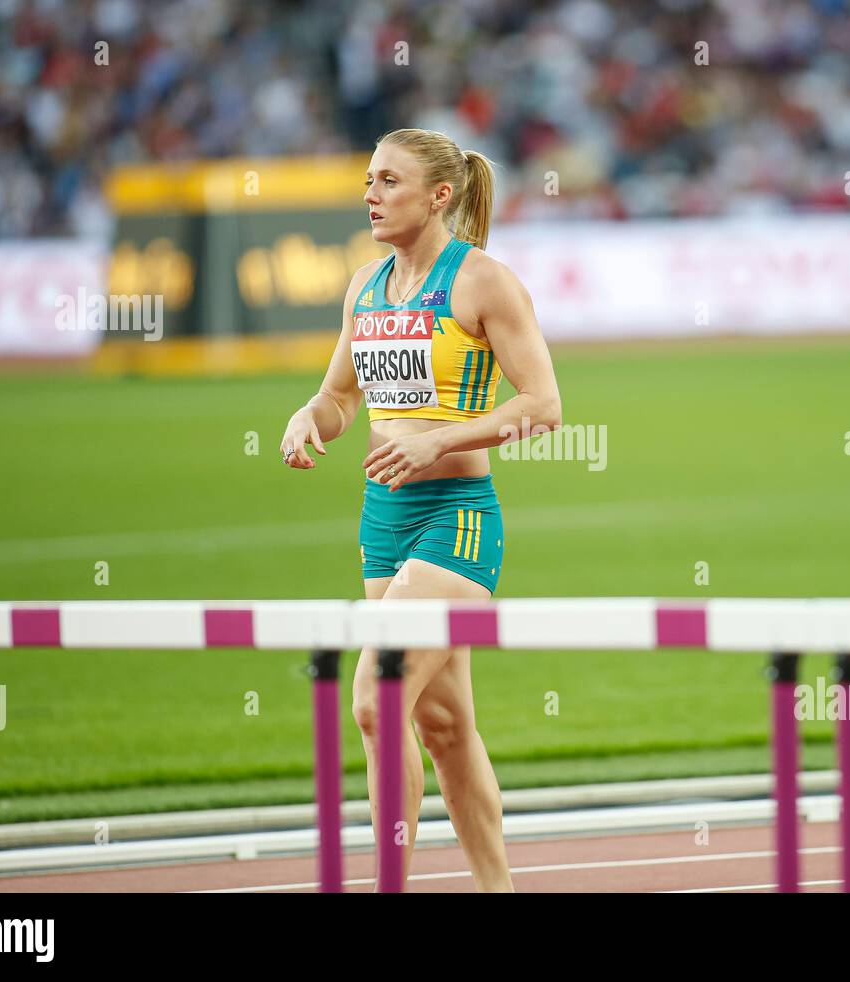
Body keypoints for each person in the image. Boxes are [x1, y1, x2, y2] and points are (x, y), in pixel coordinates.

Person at [279, 128, 562, 892]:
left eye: (388, 181)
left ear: (440, 194)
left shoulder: (481, 282)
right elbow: (341, 397)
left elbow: (543, 407)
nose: (370, 193)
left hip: (457, 516)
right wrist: (309, 415)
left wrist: (440, 443)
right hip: (383, 520)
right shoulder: (365, 287)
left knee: (377, 697)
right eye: (368, 179)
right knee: (442, 726)